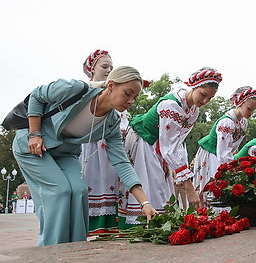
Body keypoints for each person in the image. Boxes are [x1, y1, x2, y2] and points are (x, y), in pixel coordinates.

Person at [12, 66, 157, 246]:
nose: (130, 101)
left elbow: (121, 162)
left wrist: (145, 203)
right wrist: (34, 133)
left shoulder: (111, 124)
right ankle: (50, 250)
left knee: (80, 191)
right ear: (110, 85)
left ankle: (75, 249)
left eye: (134, 97)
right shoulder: (75, 89)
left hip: (64, 153)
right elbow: (37, 95)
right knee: (60, 190)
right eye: (127, 93)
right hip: (32, 145)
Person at [120, 67, 223, 226]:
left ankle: (158, 225)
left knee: (162, 186)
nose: (205, 101)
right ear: (194, 86)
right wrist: (189, 187)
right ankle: (141, 225)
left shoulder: (193, 111)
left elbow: (177, 143)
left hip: (159, 147)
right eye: (203, 95)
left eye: (210, 98)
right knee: (150, 185)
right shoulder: (171, 105)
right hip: (144, 141)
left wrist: (176, 168)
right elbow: (170, 147)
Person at [81, 49, 127, 234]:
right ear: (92, 69)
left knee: (110, 181)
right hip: (90, 144)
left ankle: (110, 226)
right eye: (104, 66)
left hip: (111, 145)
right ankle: (91, 224)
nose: (108, 70)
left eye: (111, 67)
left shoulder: (116, 93)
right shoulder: (84, 90)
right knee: (92, 180)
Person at [193, 86, 256, 199]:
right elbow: (223, 152)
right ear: (239, 103)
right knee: (214, 186)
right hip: (212, 154)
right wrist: (231, 169)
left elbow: (232, 147)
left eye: (253, 110)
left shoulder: (243, 122)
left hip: (223, 155)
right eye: (249, 109)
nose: (251, 113)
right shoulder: (227, 122)